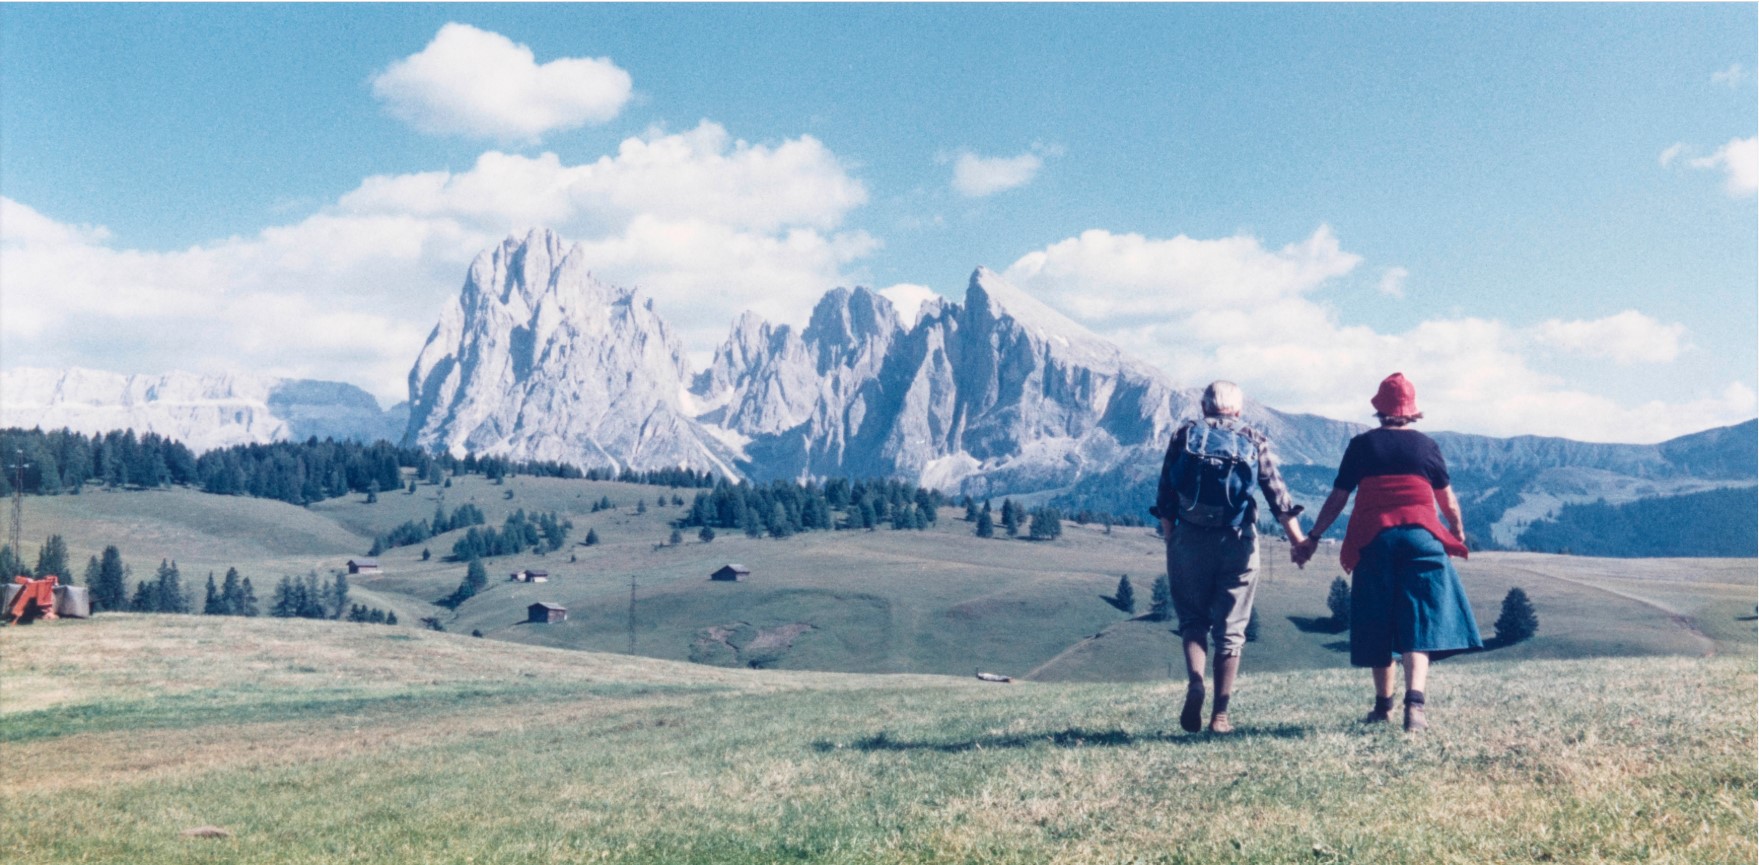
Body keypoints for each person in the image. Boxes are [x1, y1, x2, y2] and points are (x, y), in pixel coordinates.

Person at [1292, 373, 1481, 732]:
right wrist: (1456, 532)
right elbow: (1448, 501)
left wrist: (1314, 536)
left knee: (1379, 620)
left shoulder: (1362, 446)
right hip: (1421, 539)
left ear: (1379, 409)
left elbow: (1338, 498)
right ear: (1412, 412)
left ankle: (1383, 707)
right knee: (1419, 621)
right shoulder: (1427, 447)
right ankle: (1416, 705)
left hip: (1375, 539)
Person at [1152, 381, 1307, 734]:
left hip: (1190, 538)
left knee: (1192, 620)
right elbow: (1277, 496)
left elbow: (1165, 494)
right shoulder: (1253, 437)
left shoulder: (1184, 435)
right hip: (1237, 541)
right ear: (1237, 410)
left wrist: (1173, 539)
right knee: (1231, 628)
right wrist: (1298, 542)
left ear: (1204, 407)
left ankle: (1195, 683)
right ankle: (1220, 715)